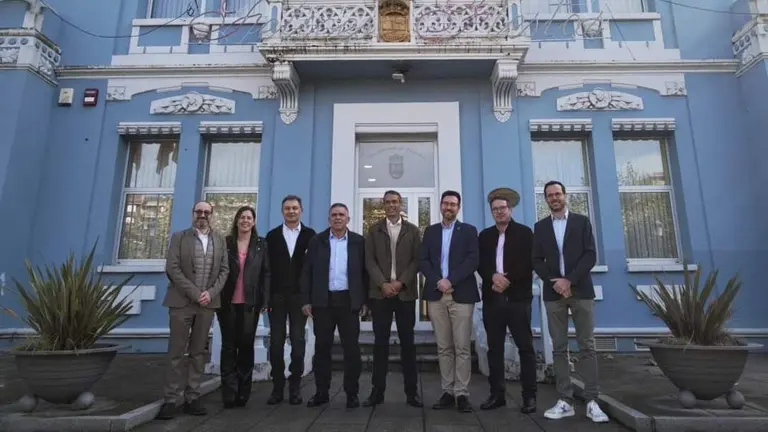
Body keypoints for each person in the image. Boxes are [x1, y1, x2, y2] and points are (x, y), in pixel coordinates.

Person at [532, 180, 609, 423]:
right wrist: (555, 282)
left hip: (581, 291)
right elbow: (536, 259)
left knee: (587, 346)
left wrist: (569, 281)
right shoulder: (541, 227)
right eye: (549, 195)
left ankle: (592, 400)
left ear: (565, 196)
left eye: (557, 194)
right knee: (559, 347)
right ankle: (565, 399)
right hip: (554, 294)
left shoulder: (582, 222)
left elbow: (590, 255)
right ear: (545, 200)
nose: (554, 198)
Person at [157, 201, 229, 420]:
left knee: (198, 352)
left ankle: (193, 396)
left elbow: (224, 270)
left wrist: (210, 293)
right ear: (193, 214)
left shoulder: (219, 239)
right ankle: (170, 399)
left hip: (207, 304)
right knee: (176, 352)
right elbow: (173, 268)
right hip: (181, 303)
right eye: (199, 212)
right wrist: (195, 292)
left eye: (207, 212)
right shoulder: (180, 237)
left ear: (212, 215)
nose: (203, 215)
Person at [301, 203, 368, 409]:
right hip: (323, 302)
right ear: (329, 219)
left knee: (351, 350)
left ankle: (352, 393)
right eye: (334, 215)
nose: (338, 218)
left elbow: (365, 274)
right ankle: (321, 392)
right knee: (322, 349)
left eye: (342, 215)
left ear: (348, 219)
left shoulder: (359, 242)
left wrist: (365, 301)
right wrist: (306, 300)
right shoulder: (317, 241)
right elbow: (307, 272)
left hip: (349, 302)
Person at [419, 190, 479, 413]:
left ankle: (461, 393)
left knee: (462, 346)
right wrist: (439, 281)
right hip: (437, 294)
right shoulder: (431, 231)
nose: (448, 207)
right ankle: (447, 391)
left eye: (453, 204)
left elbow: (473, 260)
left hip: (461, 295)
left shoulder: (469, 231)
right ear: (441, 206)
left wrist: (451, 280)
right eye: (445, 204)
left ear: (458, 207)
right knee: (444, 347)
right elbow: (423, 260)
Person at [477, 189, 537, 413]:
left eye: (503, 208)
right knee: (494, 349)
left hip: (517, 299)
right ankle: (497, 394)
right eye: (495, 209)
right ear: (491, 212)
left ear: (510, 209)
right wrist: (492, 276)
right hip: (493, 299)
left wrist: (507, 280)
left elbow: (528, 262)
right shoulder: (485, 236)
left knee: (525, 348)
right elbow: (480, 263)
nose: (499, 212)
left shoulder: (524, 233)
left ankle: (529, 396)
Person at [362, 190, 423, 408]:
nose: (391, 206)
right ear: (383, 206)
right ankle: (377, 392)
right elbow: (368, 261)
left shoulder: (413, 231)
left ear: (401, 204)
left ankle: (412, 393)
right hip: (380, 295)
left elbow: (417, 260)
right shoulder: (374, 230)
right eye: (387, 202)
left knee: (408, 344)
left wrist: (400, 283)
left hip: (405, 294)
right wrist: (383, 284)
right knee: (380, 344)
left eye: (395, 202)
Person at [218, 206, 271, 408]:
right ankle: (229, 393)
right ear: (237, 220)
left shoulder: (261, 245)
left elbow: (267, 273)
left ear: (254, 222)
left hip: (250, 303)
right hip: (227, 302)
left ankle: (243, 392)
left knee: (246, 347)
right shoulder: (226, 243)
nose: (245, 221)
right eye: (242, 217)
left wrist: (265, 300)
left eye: (249, 218)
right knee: (229, 347)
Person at [266, 195, 316, 405]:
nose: (291, 211)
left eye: (295, 208)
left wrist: (310, 298)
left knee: (298, 343)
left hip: (299, 298)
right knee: (276, 344)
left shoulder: (310, 236)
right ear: (282, 211)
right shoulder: (272, 236)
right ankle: (277, 387)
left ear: (301, 211)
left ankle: (295, 387)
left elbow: (313, 269)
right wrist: (266, 298)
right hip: (276, 298)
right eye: (287, 208)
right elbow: (266, 270)